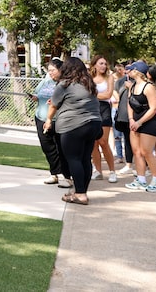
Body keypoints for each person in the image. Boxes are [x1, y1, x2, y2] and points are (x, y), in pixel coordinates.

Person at [44, 57, 102, 206]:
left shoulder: (64, 85)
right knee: (85, 159)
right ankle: (81, 191)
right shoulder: (89, 84)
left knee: (73, 159)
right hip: (94, 124)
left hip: (73, 126)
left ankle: (80, 194)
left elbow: (53, 106)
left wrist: (49, 120)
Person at [122, 61, 156, 192]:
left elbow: (153, 109)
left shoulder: (149, 87)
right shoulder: (133, 86)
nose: (129, 72)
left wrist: (139, 122)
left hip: (149, 123)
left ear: (138, 72)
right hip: (135, 122)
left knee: (146, 152)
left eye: (131, 69)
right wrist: (131, 119)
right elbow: (129, 103)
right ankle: (140, 179)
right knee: (137, 152)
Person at [30, 58, 63, 185]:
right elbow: (38, 94)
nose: (50, 73)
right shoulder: (46, 81)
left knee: (60, 147)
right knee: (47, 147)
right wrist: (35, 97)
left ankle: (65, 175)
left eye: (52, 70)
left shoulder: (64, 83)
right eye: (48, 70)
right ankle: (54, 173)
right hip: (41, 117)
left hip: (57, 120)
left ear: (60, 70)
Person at [89, 55, 117, 183]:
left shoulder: (109, 77)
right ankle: (98, 171)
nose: (103, 66)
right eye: (101, 63)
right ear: (94, 64)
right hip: (92, 109)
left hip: (104, 109)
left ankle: (112, 171)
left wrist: (94, 95)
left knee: (103, 142)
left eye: (105, 64)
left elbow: (108, 94)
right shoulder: (89, 77)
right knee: (93, 143)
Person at [111, 63, 127, 163]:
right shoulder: (117, 83)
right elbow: (116, 95)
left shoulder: (128, 81)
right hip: (116, 109)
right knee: (117, 135)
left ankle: (128, 157)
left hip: (124, 110)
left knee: (126, 135)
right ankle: (120, 156)